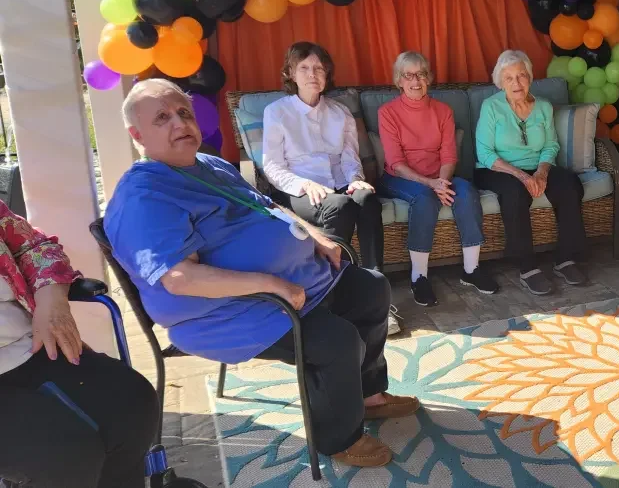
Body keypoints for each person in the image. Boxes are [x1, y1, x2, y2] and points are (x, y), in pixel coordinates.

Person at [105, 79, 415, 468]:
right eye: (162, 117)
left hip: (300, 283)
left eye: (183, 112)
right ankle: (339, 438)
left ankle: (368, 395)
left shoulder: (209, 164)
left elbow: (267, 205)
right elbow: (181, 278)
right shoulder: (144, 196)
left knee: (371, 287)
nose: (179, 123)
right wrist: (270, 283)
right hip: (231, 311)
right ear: (137, 135)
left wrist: (316, 236)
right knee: (338, 341)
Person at [0, 202, 158, 488]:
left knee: (131, 400)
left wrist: (51, 297)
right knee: (63, 450)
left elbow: (33, 246)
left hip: (27, 347)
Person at [377, 51, 498, 306]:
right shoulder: (387, 112)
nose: (415, 80)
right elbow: (396, 163)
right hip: (399, 178)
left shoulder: (443, 111)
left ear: (428, 78)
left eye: (420, 73)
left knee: (465, 191)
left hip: (438, 176)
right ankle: (418, 276)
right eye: (408, 75)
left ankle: (471, 270)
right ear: (399, 80)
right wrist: (430, 185)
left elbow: (449, 155)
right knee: (424, 199)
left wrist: (441, 183)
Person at [262, 41, 384, 272]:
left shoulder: (341, 113)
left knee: (366, 198)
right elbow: (272, 167)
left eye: (319, 69)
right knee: (339, 206)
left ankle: (373, 276)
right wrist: (305, 185)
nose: (313, 75)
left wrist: (355, 178)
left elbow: (349, 156)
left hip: (338, 183)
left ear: (327, 74)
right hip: (298, 190)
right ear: (291, 74)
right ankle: (333, 280)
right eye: (304, 68)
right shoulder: (277, 112)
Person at [474, 50, 588, 295]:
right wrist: (523, 176)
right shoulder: (491, 107)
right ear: (500, 82)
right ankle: (527, 266)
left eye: (522, 76)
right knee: (515, 192)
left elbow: (550, 145)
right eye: (509, 78)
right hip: (495, 169)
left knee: (569, 184)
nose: (517, 83)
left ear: (530, 77)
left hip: (536, 167)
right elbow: (484, 152)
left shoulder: (544, 107)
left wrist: (542, 172)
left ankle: (565, 258)